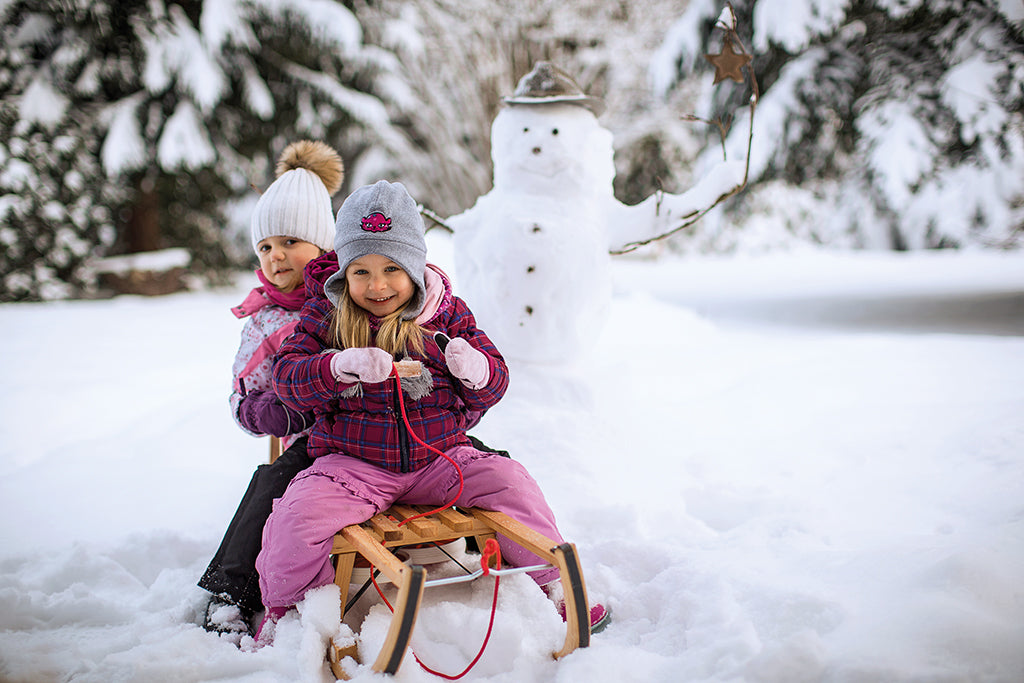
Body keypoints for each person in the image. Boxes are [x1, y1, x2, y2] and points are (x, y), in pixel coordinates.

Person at [253, 179, 609, 644]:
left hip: (442, 457)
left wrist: (477, 370)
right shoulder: (327, 317)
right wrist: (335, 367)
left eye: (392, 269)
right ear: (343, 273)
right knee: (297, 515)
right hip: (354, 465)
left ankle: (554, 584)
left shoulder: (447, 314)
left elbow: (495, 381)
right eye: (360, 271)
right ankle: (290, 610)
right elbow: (287, 377)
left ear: (416, 268)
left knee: (511, 481)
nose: (377, 285)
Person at [197, 140, 344, 638]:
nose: (275, 255)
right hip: (311, 442)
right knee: (273, 483)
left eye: (289, 241)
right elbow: (241, 399)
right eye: (265, 247)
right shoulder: (266, 322)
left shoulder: (358, 295)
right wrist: (272, 412)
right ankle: (231, 591)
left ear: (323, 245)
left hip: (378, 432)